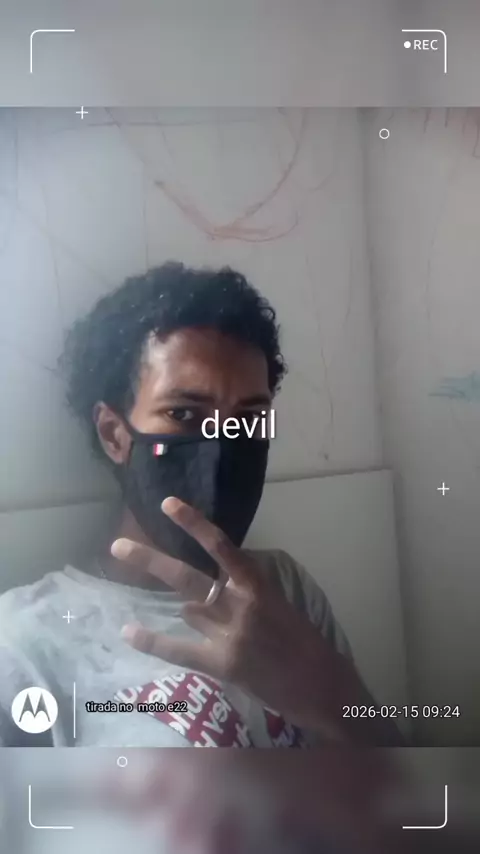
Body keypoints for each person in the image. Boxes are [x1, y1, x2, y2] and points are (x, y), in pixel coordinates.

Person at [0, 262, 404, 747]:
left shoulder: (283, 589)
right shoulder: (25, 642)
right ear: (114, 434)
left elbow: (404, 790)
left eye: (248, 418)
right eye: (184, 414)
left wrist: (331, 696)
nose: (221, 448)